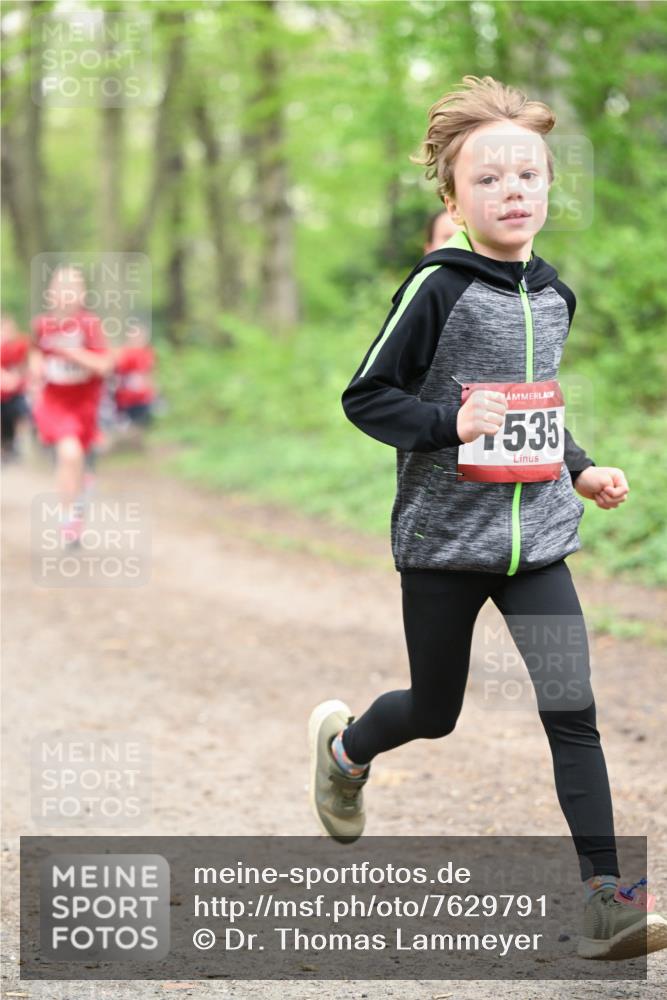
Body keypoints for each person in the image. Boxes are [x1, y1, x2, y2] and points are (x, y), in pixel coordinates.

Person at [308, 75, 667, 961]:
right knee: (435, 711)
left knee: (571, 708)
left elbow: (535, 404)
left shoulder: (554, 295)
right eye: (488, 179)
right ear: (453, 199)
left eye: (528, 175)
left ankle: (607, 901)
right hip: (442, 544)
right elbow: (366, 396)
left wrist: (579, 469)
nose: (512, 191)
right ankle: (347, 751)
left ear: (548, 186)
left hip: (535, 543)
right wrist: (448, 423)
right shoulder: (437, 287)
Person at [31, 265, 114, 545]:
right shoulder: (42, 325)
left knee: (73, 459)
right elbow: (37, 354)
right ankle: (68, 516)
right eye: (61, 288)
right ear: (50, 293)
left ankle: (79, 491)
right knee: (69, 454)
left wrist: (73, 353)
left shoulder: (89, 325)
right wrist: (36, 369)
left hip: (84, 405)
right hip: (54, 403)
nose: (66, 294)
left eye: (73, 288)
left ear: (82, 295)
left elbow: (104, 365)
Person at [113, 322, 156, 431]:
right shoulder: (123, 352)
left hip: (142, 397)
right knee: (126, 427)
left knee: (141, 426)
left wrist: (153, 392)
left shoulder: (146, 353)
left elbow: (148, 374)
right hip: (124, 398)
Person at [1, 314, 31, 461]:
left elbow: (24, 365)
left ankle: (18, 444)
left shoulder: (19, 345)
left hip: (15, 391)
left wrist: (16, 379)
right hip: (3, 393)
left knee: (20, 414)